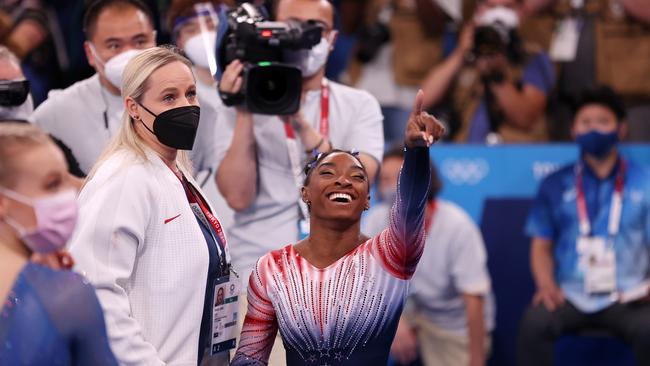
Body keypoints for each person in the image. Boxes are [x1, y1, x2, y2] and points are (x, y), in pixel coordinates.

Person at [231, 90, 443, 365]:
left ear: (367, 200)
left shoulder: (390, 257)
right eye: (328, 173)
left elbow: (411, 207)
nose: (343, 181)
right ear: (305, 192)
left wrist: (415, 152)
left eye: (357, 177)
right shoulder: (271, 269)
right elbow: (249, 357)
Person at [69, 46, 235, 366]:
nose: (186, 106)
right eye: (169, 97)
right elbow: (94, 292)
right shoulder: (124, 178)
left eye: (190, 94)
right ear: (133, 107)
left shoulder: (177, 172)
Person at [519, 85, 650, 366]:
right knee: (535, 322)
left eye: (603, 122)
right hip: (571, 295)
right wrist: (546, 285)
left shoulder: (645, 182)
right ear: (573, 130)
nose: (594, 129)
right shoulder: (554, 184)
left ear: (622, 129)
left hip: (628, 295)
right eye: (586, 122)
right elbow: (541, 245)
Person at [364, 147, 494, 366]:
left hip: (454, 327)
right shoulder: (377, 220)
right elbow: (369, 284)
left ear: (424, 180)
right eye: (386, 179)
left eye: (401, 178)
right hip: (413, 313)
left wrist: (477, 359)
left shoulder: (457, 227)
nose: (394, 187)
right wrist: (396, 324)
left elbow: (474, 301)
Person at [0, 123, 117, 365]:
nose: (69, 194)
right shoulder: (67, 296)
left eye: (67, 179)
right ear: (3, 203)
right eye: (52, 185)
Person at [30, 0, 157, 174]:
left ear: (155, 41)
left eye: (140, 41)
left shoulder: (185, 97)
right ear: (90, 53)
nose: (129, 54)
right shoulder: (57, 113)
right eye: (114, 45)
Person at [421, 0, 554, 143]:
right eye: (491, 7)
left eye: (507, 7)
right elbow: (424, 100)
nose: (498, 14)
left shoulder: (531, 57)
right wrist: (461, 53)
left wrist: (496, 76)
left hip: (512, 152)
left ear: (522, 10)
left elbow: (526, 117)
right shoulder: (464, 52)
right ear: (478, 10)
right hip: (464, 153)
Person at [521, 0, 650, 141]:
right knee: (564, 156)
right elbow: (524, 9)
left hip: (630, 99)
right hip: (564, 100)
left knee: (636, 155)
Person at [167, 0, 235, 226]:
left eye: (210, 24)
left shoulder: (256, 86)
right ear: (179, 40)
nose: (203, 35)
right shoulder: (169, 98)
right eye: (191, 29)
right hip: (201, 225)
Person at [0, 45, 85, 183]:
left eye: (19, 86)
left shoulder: (49, 143)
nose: (14, 95)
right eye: (3, 88)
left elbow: (88, 193)